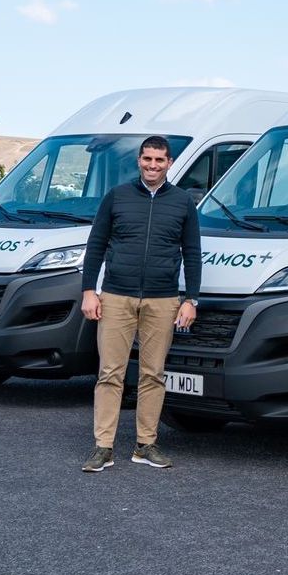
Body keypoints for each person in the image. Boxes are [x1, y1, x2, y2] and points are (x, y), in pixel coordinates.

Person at [77, 135, 202, 473]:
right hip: (116, 296)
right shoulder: (117, 197)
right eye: (147, 159)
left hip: (163, 300)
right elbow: (96, 245)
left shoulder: (183, 202)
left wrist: (191, 299)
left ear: (169, 163)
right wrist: (90, 290)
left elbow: (192, 253)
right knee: (110, 373)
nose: (152, 165)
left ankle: (145, 445)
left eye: (159, 160)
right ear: (139, 160)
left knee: (153, 375)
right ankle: (103, 447)